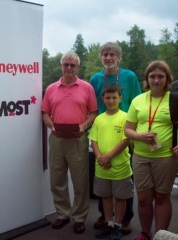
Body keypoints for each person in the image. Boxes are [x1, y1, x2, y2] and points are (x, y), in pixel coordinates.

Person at [42, 51, 97, 234]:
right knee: (57, 180)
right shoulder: (51, 88)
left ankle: (79, 217)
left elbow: (93, 113)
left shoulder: (87, 88)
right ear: (61, 66)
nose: (69, 68)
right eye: (66, 64)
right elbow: (45, 113)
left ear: (78, 68)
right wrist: (51, 125)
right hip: (57, 139)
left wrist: (84, 125)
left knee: (80, 181)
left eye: (73, 65)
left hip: (77, 140)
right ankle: (63, 214)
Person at [90, 42, 142, 234]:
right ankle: (105, 216)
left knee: (124, 178)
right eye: (105, 54)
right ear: (101, 57)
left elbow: (138, 102)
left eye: (112, 54)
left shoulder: (129, 76)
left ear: (118, 57)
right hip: (103, 128)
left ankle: (125, 218)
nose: (108, 58)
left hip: (126, 130)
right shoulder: (95, 78)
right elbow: (92, 106)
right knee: (103, 180)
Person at [124, 60, 178, 240]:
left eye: (160, 76)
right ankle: (146, 233)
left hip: (166, 157)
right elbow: (128, 128)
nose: (156, 80)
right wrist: (139, 137)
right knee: (144, 199)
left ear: (167, 78)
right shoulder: (138, 100)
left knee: (162, 197)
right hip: (140, 156)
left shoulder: (174, 99)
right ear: (147, 79)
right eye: (152, 76)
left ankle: (160, 236)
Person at [88, 84, 133, 240]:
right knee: (106, 197)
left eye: (115, 97)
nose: (111, 100)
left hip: (120, 168)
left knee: (120, 198)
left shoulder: (126, 117)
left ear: (120, 98)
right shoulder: (99, 119)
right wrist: (100, 156)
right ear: (103, 99)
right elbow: (93, 140)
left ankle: (118, 226)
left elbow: (125, 140)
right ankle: (109, 224)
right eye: (108, 97)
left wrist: (108, 157)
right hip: (101, 167)